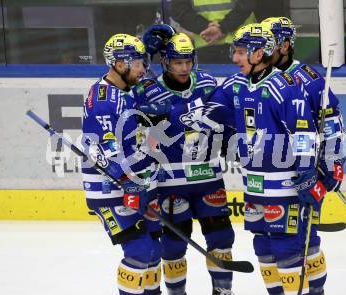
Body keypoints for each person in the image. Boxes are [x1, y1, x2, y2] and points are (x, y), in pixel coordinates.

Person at [195, 23, 327, 295]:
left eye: (241, 52)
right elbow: (221, 114)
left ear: (258, 54)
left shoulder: (285, 87)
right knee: (264, 249)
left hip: (284, 186)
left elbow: (304, 132)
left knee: (287, 248)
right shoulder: (241, 85)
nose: (234, 58)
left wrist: (306, 172)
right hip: (254, 186)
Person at [134, 28, 236, 295]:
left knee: (222, 237)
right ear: (165, 61)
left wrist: (229, 141)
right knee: (174, 245)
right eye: (177, 62)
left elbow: (224, 119)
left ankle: (223, 291)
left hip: (209, 178)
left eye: (188, 62)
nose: (183, 67)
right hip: (170, 183)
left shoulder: (207, 84)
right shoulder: (148, 90)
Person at [261, 16, 346, 295]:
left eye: (268, 44)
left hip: (303, 177)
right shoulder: (257, 80)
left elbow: (333, 128)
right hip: (268, 179)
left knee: (302, 243)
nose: (261, 50)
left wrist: (332, 168)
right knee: (265, 244)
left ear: (285, 45)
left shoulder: (309, 81)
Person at [81, 33, 162, 295]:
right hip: (110, 189)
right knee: (140, 251)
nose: (143, 69)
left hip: (134, 183)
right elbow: (100, 150)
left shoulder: (125, 89)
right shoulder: (105, 100)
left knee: (154, 251)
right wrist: (126, 180)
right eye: (138, 63)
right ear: (120, 64)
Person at [170, 0, 256, 63]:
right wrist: (221, 28)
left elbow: (179, 10)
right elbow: (247, 5)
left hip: (208, 40)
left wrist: (207, 27)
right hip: (239, 42)